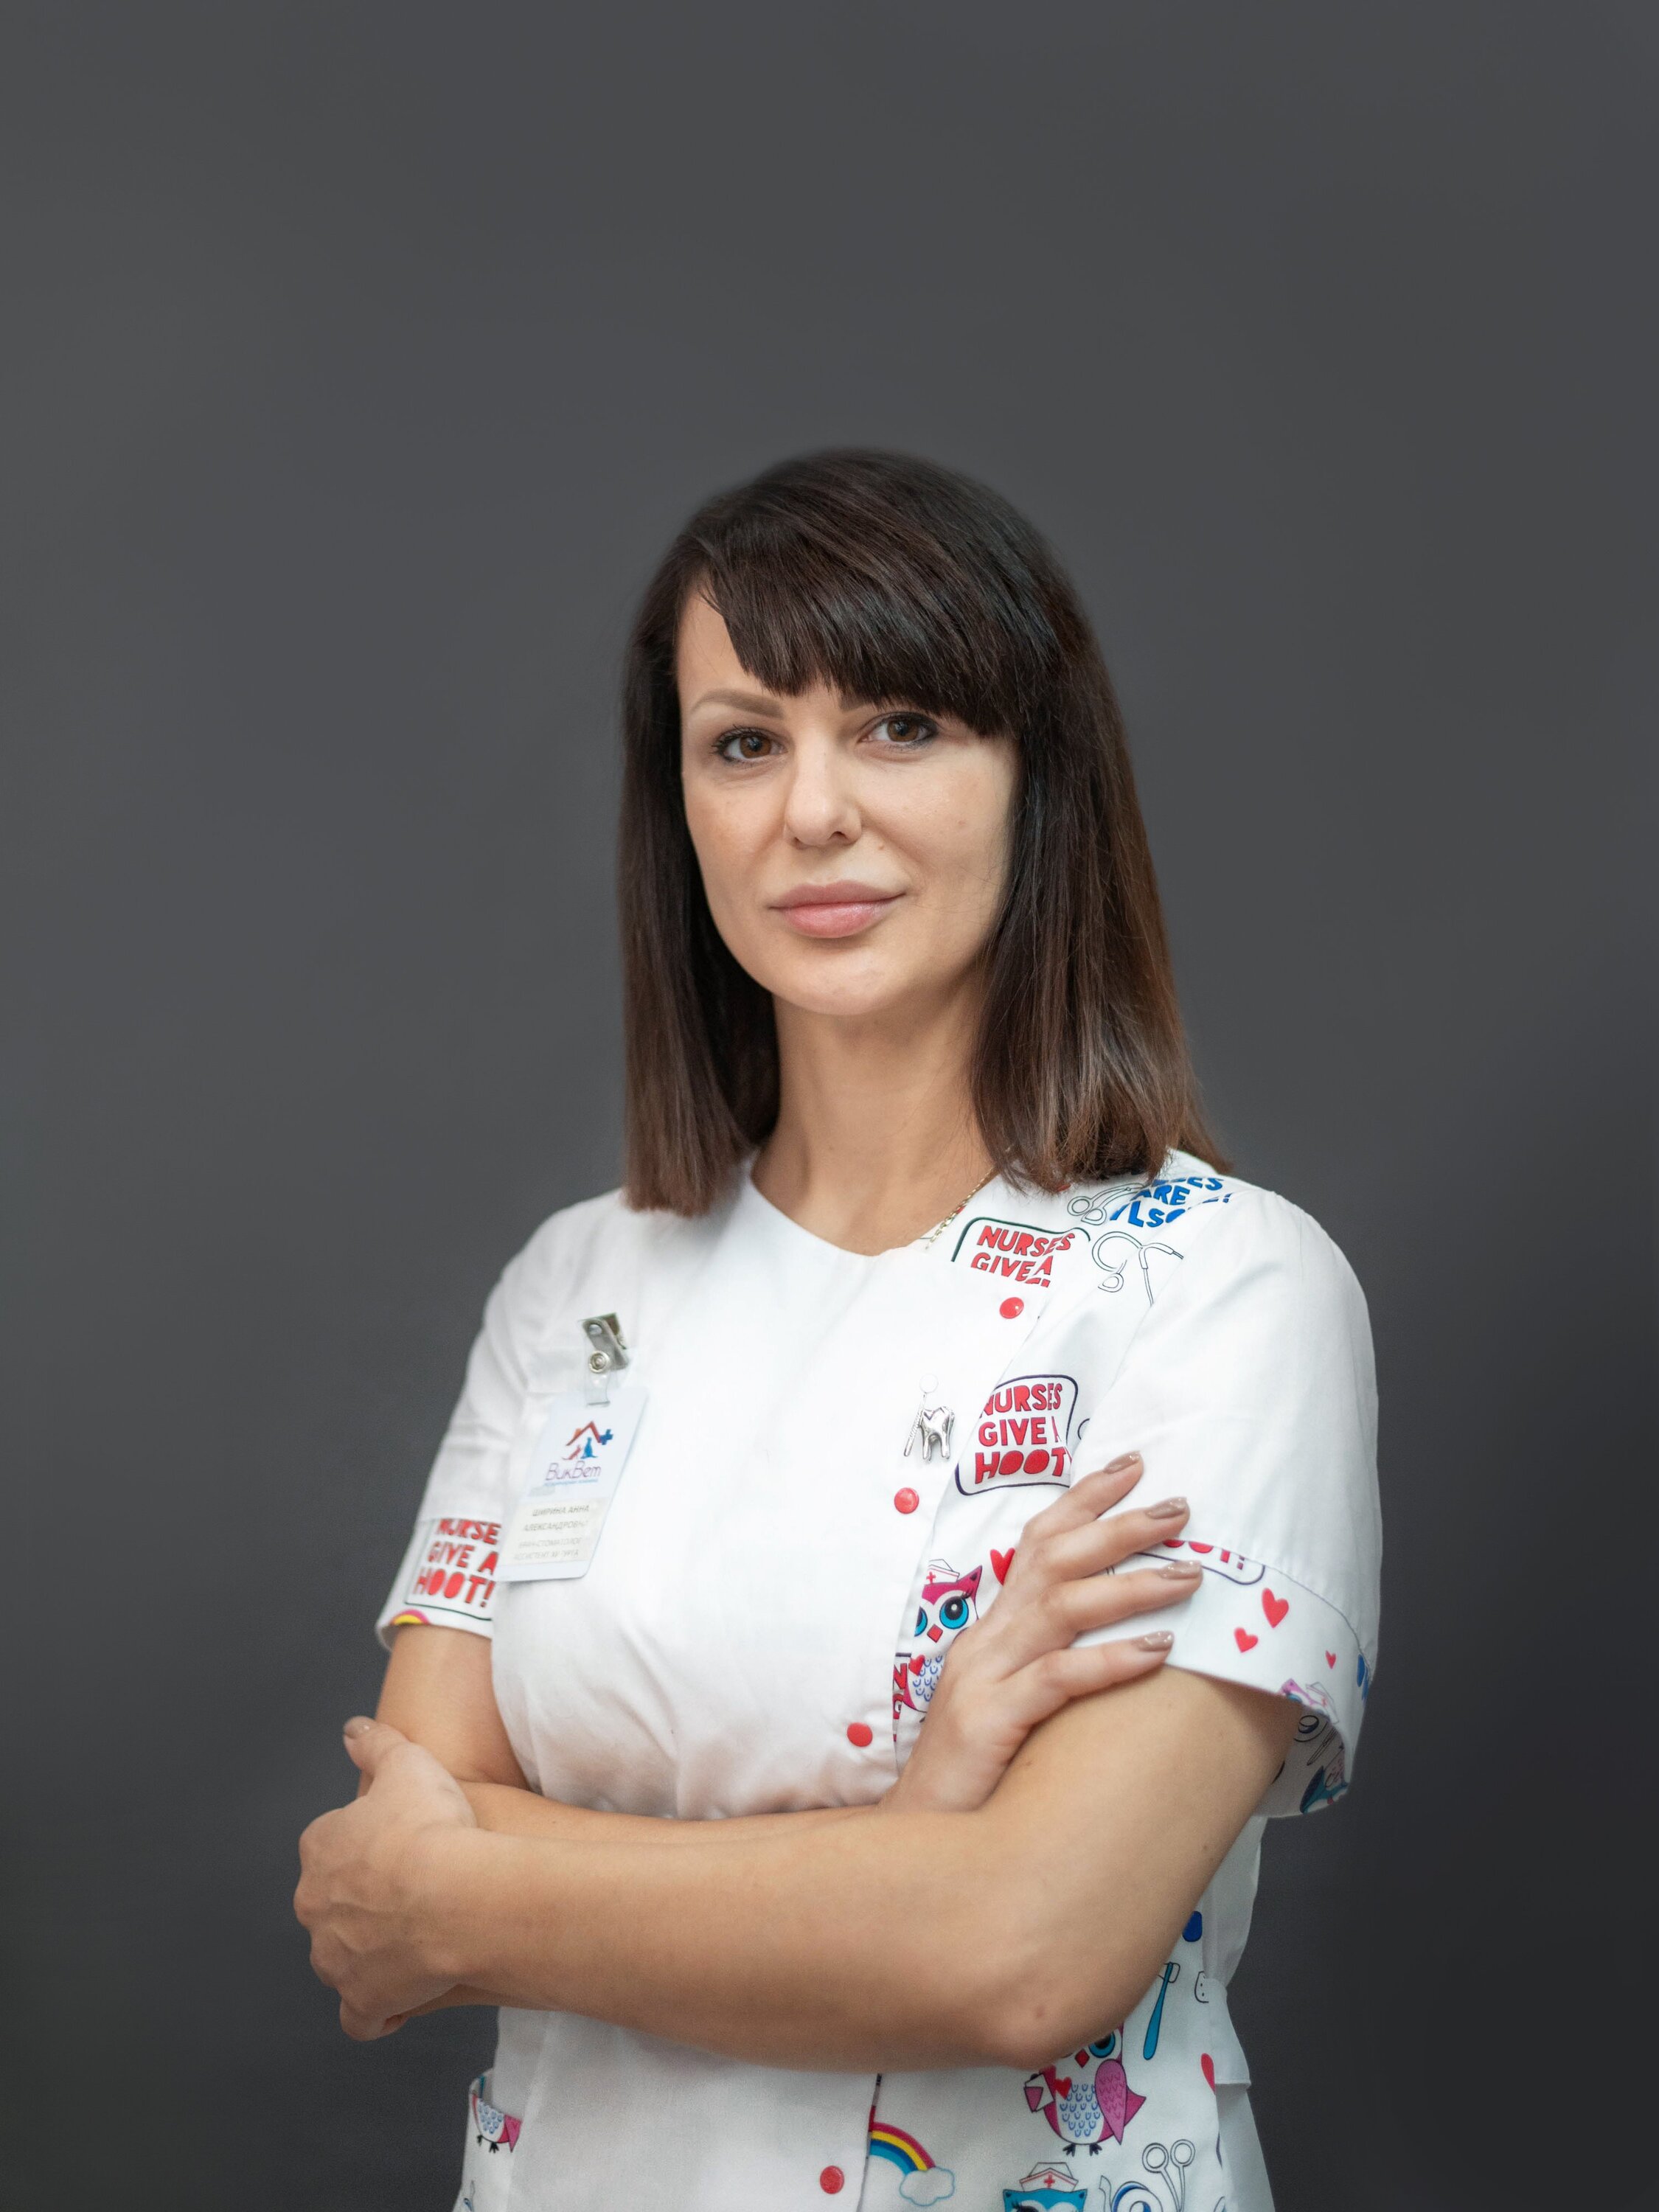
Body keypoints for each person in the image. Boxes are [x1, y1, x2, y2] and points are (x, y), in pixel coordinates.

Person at [295, 449, 1380, 2212]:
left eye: (900, 727)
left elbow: (1026, 1952)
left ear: (1039, 779)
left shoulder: (1222, 1290)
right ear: (681, 806)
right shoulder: (578, 1290)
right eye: (743, 743)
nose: (812, 811)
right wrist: (922, 1828)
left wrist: (481, 1892)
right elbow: (379, 1861)